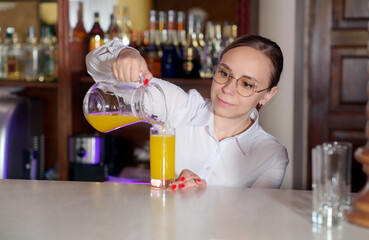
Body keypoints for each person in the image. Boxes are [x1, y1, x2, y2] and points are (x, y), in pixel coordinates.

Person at [86, 34, 289, 190]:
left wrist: (203, 196)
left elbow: (255, 219)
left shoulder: (271, 155)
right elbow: (96, 68)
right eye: (224, 73)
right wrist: (125, 54)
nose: (228, 89)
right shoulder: (179, 106)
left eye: (246, 84)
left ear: (267, 95)